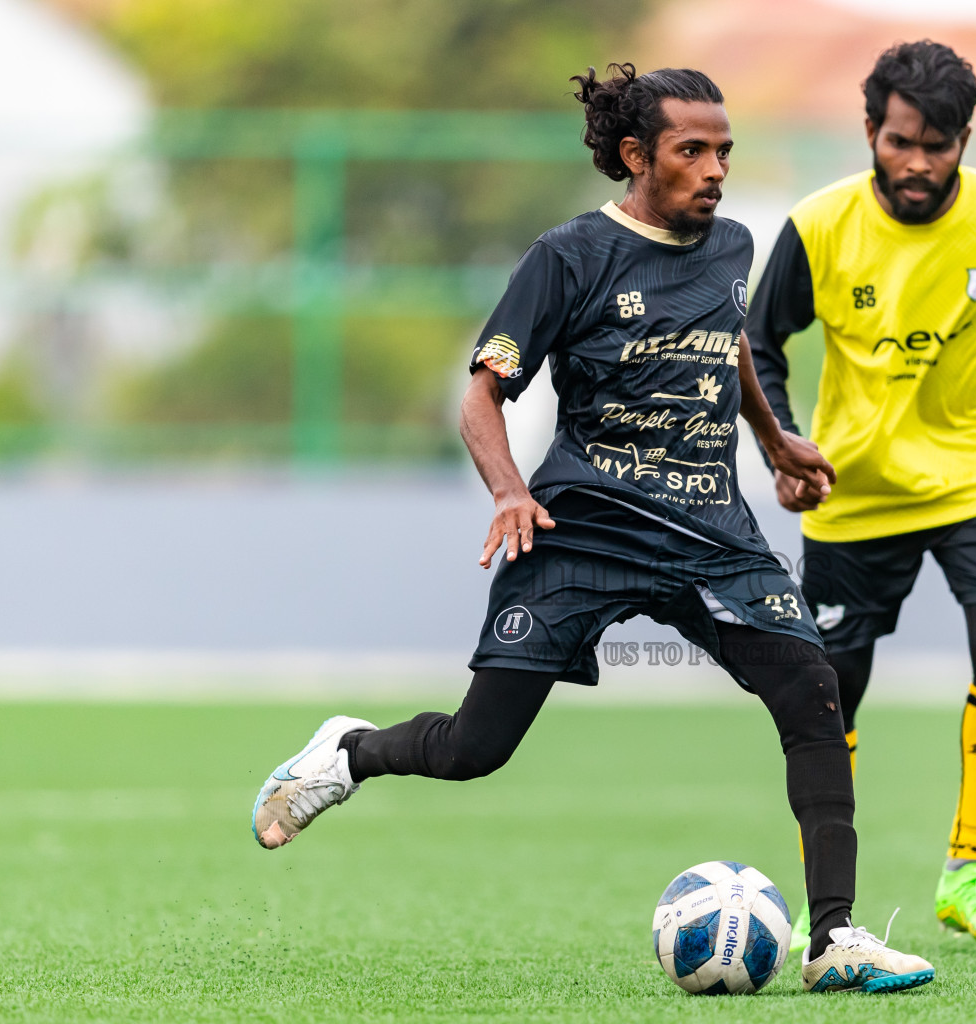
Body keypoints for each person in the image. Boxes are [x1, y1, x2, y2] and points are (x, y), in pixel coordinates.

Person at [250, 63, 934, 994]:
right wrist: (505, 491)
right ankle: (349, 752)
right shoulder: (568, 257)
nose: (715, 168)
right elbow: (481, 395)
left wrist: (772, 440)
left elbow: (723, 340)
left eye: (724, 150)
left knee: (811, 690)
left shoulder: (734, 245)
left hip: (710, 533)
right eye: (692, 151)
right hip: (583, 531)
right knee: (473, 750)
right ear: (634, 155)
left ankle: (836, 939)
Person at [748, 40, 976, 953]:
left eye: (940, 146)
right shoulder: (818, 225)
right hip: (850, 489)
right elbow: (758, 343)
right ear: (870, 131)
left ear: (966, 140)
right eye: (901, 142)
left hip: (974, 474)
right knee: (832, 694)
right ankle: (834, 897)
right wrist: (781, 443)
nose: (919, 164)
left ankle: (969, 870)